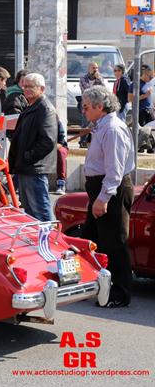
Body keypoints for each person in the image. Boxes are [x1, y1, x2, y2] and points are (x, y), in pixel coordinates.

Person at [81, 85, 134, 308]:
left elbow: (115, 170)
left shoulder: (112, 129)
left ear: (100, 106)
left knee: (114, 242)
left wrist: (103, 198)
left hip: (111, 189)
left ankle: (119, 293)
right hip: (101, 188)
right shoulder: (102, 126)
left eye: (86, 107)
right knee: (92, 239)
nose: (83, 111)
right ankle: (96, 285)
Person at [7, 73, 58, 222]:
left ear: (41, 89)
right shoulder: (32, 106)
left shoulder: (44, 109)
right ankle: (35, 236)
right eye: (25, 86)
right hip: (26, 167)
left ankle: (47, 237)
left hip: (34, 168)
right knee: (29, 212)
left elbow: (48, 140)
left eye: (31, 86)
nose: (26, 89)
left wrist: (27, 157)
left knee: (40, 211)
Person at [79, 61, 106, 146]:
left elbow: (104, 89)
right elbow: (88, 91)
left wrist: (99, 79)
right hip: (86, 105)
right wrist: (97, 89)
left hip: (96, 105)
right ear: (89, 69)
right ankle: (82, 142)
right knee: (85, 123)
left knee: (96, 123)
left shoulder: (100, 78)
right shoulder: (83, 78)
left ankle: (94, 142)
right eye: (93, 68)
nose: (95, 70)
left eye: (97, 68)